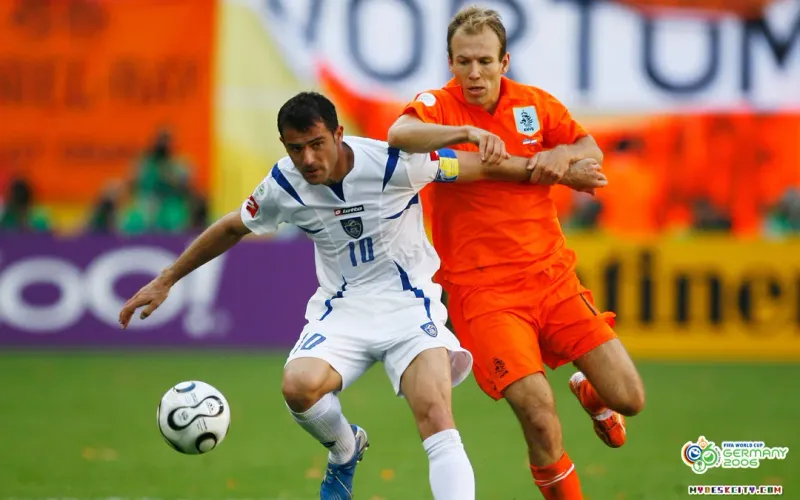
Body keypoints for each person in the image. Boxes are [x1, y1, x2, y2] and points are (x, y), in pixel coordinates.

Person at [118, 92, 607, 500]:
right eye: (295, 148)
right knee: (298, 388)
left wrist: (563, 172)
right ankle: (344, 448)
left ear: (337, 134)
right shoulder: (284, 184)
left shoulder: (393, 163)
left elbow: (478, 167)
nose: (308, 159)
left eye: (316, 144)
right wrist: (167, 278)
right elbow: (232, 227)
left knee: (436, 415)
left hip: (409, 304)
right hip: (343, 309)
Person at [387, 6, 646, 499]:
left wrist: (561, 155)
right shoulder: (438, 107)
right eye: (463, 62)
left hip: (552, 278)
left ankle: (592, 393)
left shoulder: (534, 105)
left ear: (504, 62)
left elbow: (590, 149)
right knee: (539, 416)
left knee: (630, 398)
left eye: (485, 61)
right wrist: (465, 133)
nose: (474, 73)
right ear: (450, 62)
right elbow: (399, 135)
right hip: (484, 294)